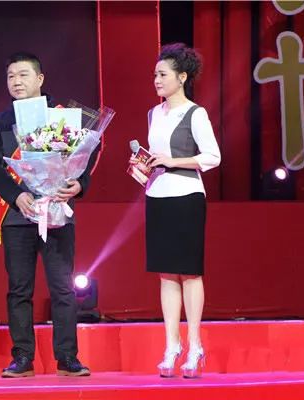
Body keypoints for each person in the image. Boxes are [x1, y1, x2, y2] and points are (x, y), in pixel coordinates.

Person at [0, 52, 96, 378]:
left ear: (40, 79)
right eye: (11, 76)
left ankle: (68, 357)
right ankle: (22, 357)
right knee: (19, 289)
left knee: (62, 288)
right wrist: (16, 195)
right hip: (18, 216)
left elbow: (87, 153)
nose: (16, 82)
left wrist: (79, 184)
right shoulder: (2, 121)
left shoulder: (61, 117)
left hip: (56, 211)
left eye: (23, 75)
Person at [130, 43, 221, 378]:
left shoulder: (196, 114)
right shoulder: (154, 113)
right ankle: (172, 346)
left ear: (182, 77)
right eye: (155, 74)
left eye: (163, 74)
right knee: (166, 273)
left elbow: (212, 156)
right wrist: (144, 165)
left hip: (186, 195)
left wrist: (172, 161)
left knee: (189, 272)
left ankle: (195, 345)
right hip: (158, 195)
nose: (157, 80)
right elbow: (158, 156)